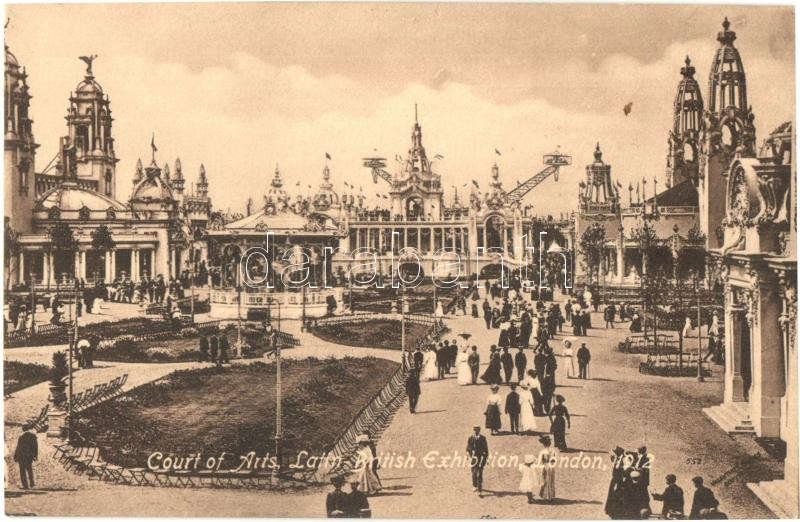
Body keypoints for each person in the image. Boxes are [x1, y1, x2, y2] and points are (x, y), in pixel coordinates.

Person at [14, 425, 38, 489]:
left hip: (21, 455)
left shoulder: (21, 436)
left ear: (23, 429)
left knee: (22, 471)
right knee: (29, 469)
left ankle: (25, 485)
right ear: (29, 429)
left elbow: (18, 447)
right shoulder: (33, 436)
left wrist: (15, 456)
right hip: (29, 456)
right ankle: (32, 483)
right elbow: (35, 447)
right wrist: (35, 455)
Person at [466, 426, 489, 493]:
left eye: (477, 430)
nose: (475, 432)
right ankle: (474, 485)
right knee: (474, 473)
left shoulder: (483, 438)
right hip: (473, 459)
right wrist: (468, 455)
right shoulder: (470, 438)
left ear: (479, 431)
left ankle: (479, 489)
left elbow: (486, 449)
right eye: (474, 430)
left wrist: (486, 458)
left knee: (479, 474)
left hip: (481, 458)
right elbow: (467, 448)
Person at [536, 436, 557, 502]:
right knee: (551, 480)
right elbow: (555, 459)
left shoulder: (542, 451)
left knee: (545, 480)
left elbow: (539, 461)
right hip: (551, 466)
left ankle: (545, 495)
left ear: (543, 444)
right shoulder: (553, 450)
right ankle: (551, 496)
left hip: (545, 466)